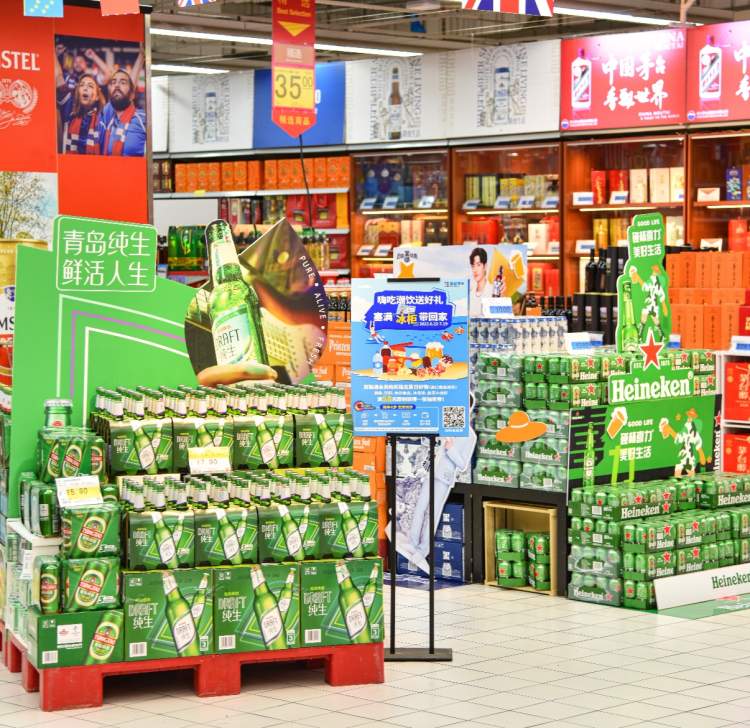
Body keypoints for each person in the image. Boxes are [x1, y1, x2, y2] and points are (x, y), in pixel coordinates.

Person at [100, 69, 147, 157]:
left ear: (132, 95)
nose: (117, 85)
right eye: (113, 82)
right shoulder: (107, 119)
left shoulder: (143, 119)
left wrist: (140, 60)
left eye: (123, 82)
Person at [60, 74, 105, 155]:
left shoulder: (103, 120)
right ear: (78, 92)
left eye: (90, 86)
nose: (85, 88)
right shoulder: (69, 113)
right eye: (82, 85)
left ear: (97, 96)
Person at [469, 247, 491, 318]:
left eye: (478, 265)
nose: (475, 270)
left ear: (485, 266)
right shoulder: (469, 292)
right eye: (473, 266)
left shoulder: (492, 291)